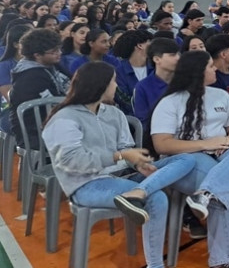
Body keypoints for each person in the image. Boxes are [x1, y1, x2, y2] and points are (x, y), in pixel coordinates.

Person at [42, 62, 196, 268]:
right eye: (113, 82)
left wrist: (138, 164)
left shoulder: (113, 113)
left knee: (187, 159)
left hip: (123, 177)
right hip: (87, 184)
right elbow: (73, 161)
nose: (117, 86)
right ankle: (156, 265)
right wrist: (119, 155)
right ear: (101, 85)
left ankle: (141, 191)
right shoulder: (65, 118)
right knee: (157, 197)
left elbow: (126, 148)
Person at [151, 51, 229, 268]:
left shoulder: (221, 96)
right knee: (224, 194)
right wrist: (206, 144)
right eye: (210, 66)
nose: (215, 69)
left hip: (221, 156)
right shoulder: (171, 102)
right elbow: (162, 144)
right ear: (197, 72)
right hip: (186, 160)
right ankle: (227, 261)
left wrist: (227, 142)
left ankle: (207, 194)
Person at [9, 29, 71, 148]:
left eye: (59, 49)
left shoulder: (51, 65)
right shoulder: (31, 76)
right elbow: (54, 104)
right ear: (37, 55)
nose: (59, 53)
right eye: (54, 51)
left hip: (52, 124)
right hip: (35, 133)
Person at [112, 30, 153, 115]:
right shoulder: (119, 72)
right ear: (140, 45)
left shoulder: (155, 67)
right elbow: (123, 100)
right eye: (150, 42)